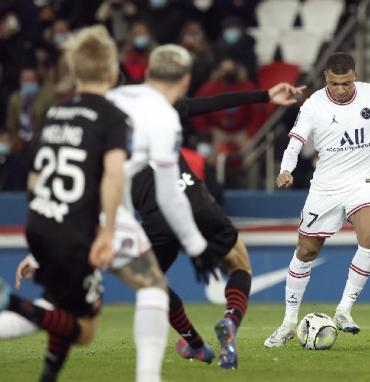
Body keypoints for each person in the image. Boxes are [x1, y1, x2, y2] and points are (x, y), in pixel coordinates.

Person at [0, 82, 306, 371]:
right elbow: (209, 104)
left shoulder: (96, 131)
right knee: (239, 263)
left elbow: (75, 194)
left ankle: (194, 343)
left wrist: (40, 254)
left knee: (152, 285)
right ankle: (230, 320)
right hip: (195, 199)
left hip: (156, 217)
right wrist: (264, 95)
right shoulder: (157, 109)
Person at [0, 25, 129, 382]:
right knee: (84, 329)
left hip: (42, 221)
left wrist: (43, 222)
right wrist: (108, 231)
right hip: (74, 233)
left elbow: (33, 178)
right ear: (110, 71)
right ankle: (9, 301)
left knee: (59, 308)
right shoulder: (111, 116)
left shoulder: (56, 113)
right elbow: (113, 174)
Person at [264, 52, 370, 347]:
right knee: (306, 252)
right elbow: (296, 141)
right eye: (334, 83)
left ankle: (344, 310)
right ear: (326, 79)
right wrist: (285, 169)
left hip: (364, 182)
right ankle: (288, 323)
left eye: (345, 83)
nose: (340, 89)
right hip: (326, 187)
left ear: (354, 75)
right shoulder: (314, 104)